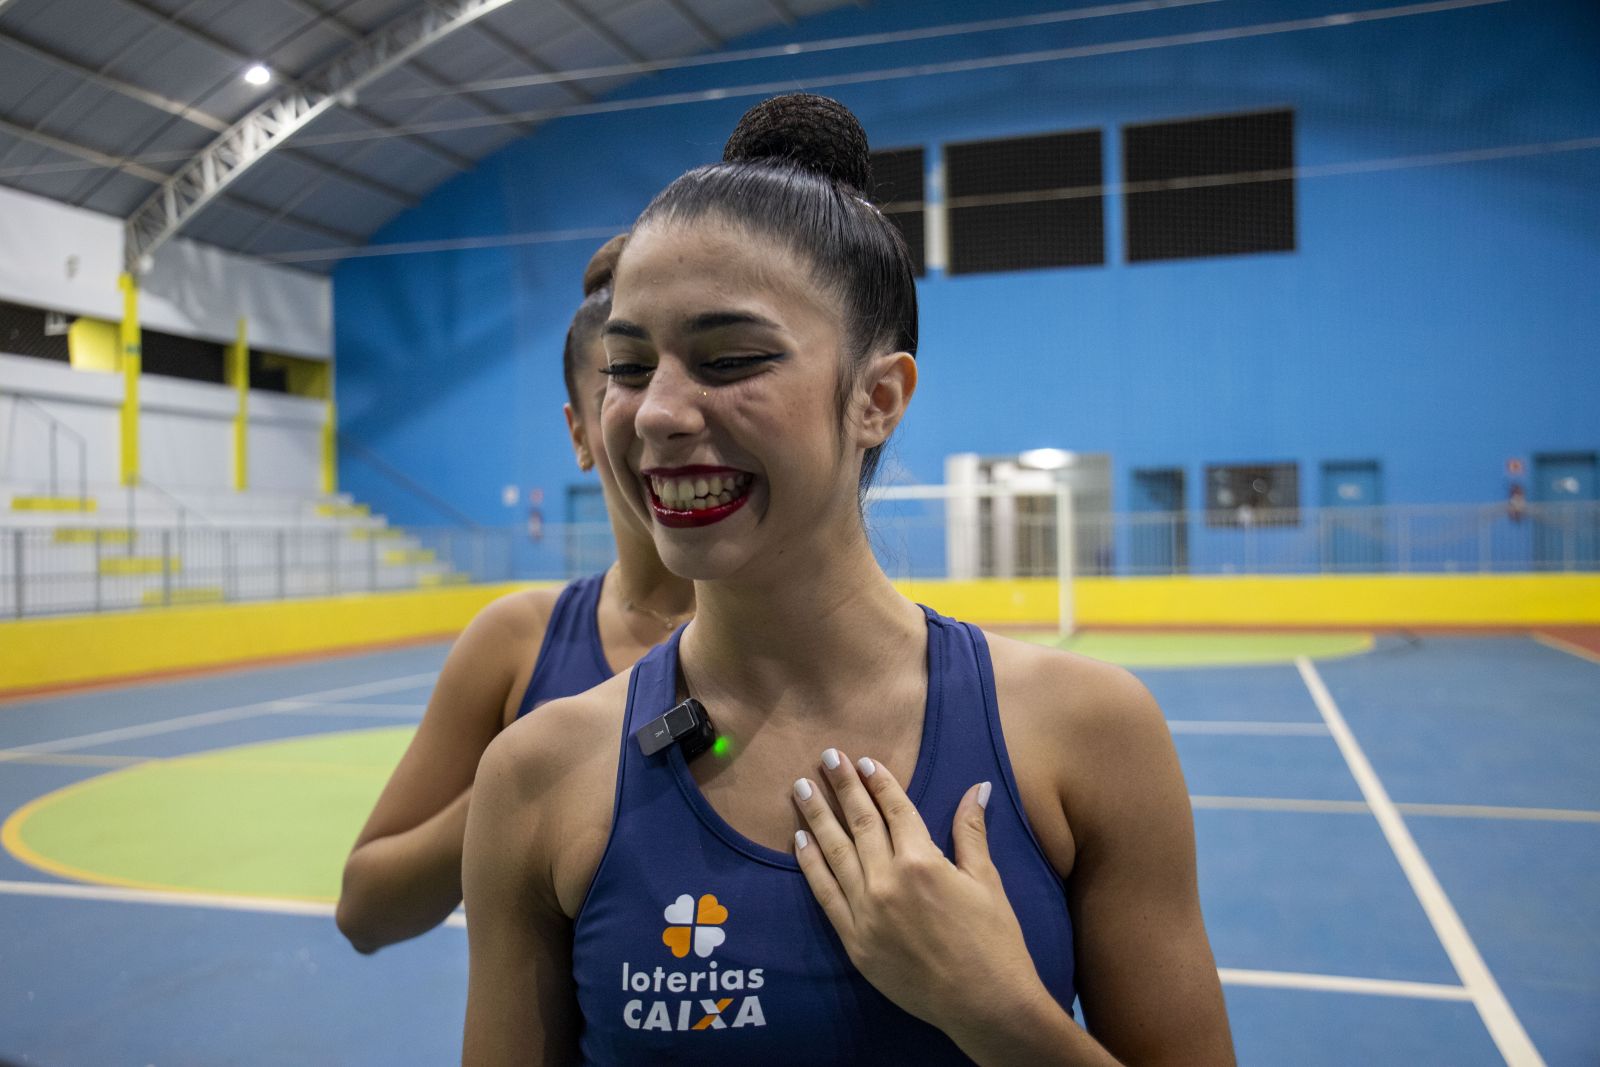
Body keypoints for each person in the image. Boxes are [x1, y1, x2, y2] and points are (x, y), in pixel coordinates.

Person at [462, 94, 1235, 1065]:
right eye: (626, 365)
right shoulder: (537, 776)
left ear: (877, 398)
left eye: (729, 357)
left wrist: (1002, 1014)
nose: (655, 411)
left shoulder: (1087, 733)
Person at [335, 235, 695, 954]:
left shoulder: (785, 642)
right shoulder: (518, 641)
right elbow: (366, 909)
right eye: (622, 383)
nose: (662, 418)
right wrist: (521, 782)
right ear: (579, 433)